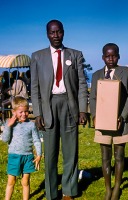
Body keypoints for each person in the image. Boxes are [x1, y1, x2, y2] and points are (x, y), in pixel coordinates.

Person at [30, 19, 88, 200]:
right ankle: (51, 192)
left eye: (59, 32)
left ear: (63, 32)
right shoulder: (37, 56)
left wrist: (82, 110)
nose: (56, 36)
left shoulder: (75, 55)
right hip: (48, 107)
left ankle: (69, 191)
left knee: (71, 151)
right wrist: (38, 113)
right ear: (47, 34)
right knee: (50, 154)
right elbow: (34, 87)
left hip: (69, 105)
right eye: (52, 32)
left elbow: (81, 84)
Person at [90, 43, 128, 200]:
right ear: (103, 57)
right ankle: (107, 187)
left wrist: (122, 116)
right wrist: (95, 115)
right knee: (105, 156)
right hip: (103, 122)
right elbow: (94, 97)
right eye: (107, 56)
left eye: (114, 55)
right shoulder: (96, 75)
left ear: (119, 56)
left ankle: (117, 186)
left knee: (119, 155)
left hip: (120, 122)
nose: (111, 58)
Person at [1, 96, 42, 200]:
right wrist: (8, 126)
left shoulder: (31, 125)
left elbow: (37, 140)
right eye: (21, 112)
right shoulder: (10, 124)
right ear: (14, 111)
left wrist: (39, 154)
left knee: (25, 181)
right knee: (11, 181)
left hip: (28, 157)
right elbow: (5, 139)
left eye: (26, 111)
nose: (24, 114)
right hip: (14, 156)